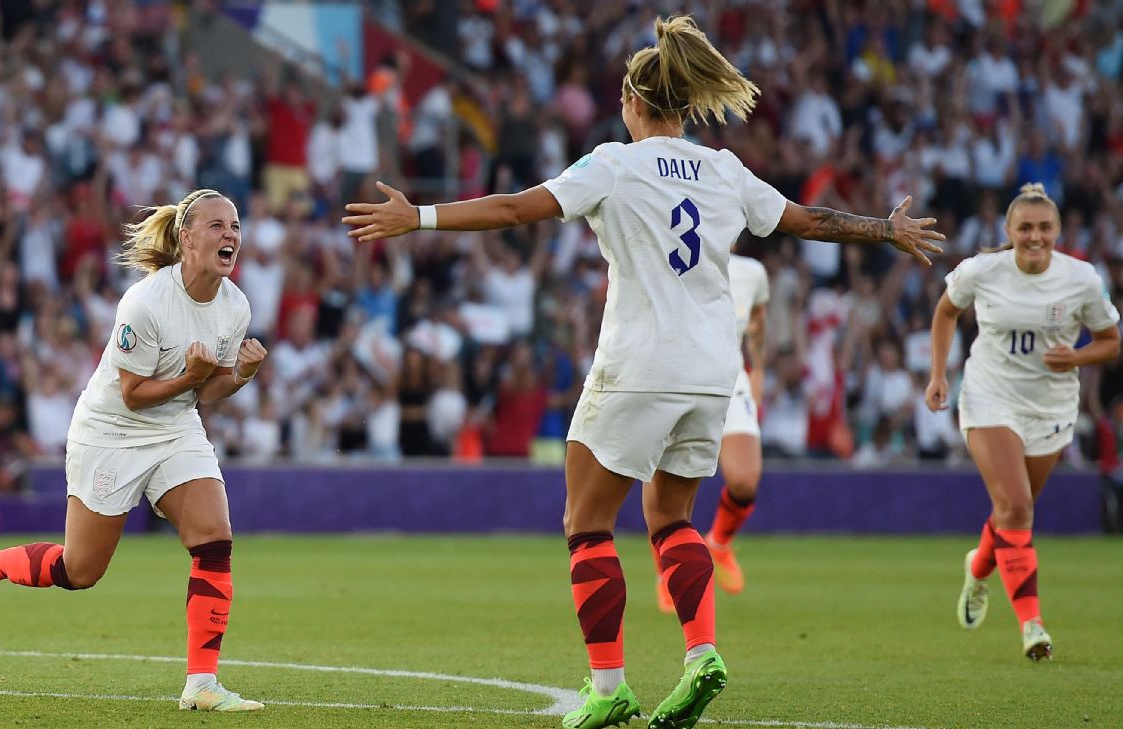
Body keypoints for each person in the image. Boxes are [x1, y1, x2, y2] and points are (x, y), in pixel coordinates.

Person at [343, 15, 943, 729]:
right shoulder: (724, 170)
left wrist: (422, 218)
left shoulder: (614, 163)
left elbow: (514, 207)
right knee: (671, 517)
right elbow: (805, 220)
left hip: (639, 361)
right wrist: (885, 228)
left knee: (586, 521)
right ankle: (700, 652)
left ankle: (608, 685)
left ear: (632, 100)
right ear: (686, 106)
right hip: (712, 369)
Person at [0, 189, 270, 711]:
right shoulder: (145, 302)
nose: (231, 236)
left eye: (235, 226)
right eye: (217, 226)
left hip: (176, 428)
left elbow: (207, 392)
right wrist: (192, 377)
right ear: (186, 238)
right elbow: (133, 395)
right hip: (111, 431)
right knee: (80, 571)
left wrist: (240, 375)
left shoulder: (235, 306)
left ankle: (202, 684)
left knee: (214, 537)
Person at [925, 182, 1120, 662]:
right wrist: (937, 375)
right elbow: (946, 312)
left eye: (1044, 227)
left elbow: (1110, 341)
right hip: (990, 395)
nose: (1035, 237)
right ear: (1009, 231)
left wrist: (1076, 356)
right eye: (1026, 228)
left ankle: (979, 566)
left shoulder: (1081, 279)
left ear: (1058, 231)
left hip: (1050, 408)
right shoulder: (982, 271)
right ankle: (1032, 623)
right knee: (1016, 508)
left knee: (1013, 510)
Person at [647, 252, 768, 611]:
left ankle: (719, 541)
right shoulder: (676, 255)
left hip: (731, 379)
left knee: (745, 481)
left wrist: (757, 375)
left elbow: (758, 325)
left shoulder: (752, 271)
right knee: (666, 480)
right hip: (677, 375)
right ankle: (665, 569)